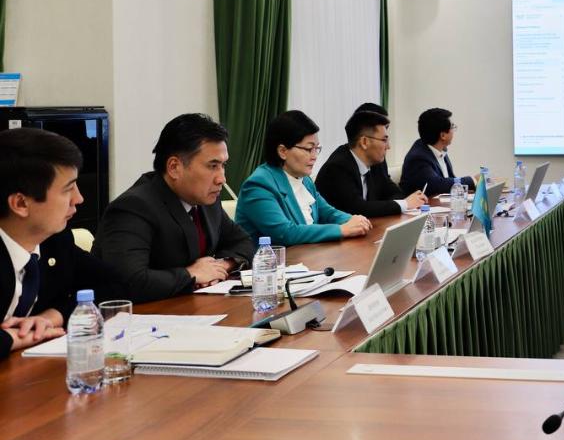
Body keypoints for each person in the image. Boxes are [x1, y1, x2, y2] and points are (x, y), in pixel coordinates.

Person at [94, 114, 254, 303]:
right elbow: (129, 282)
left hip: (194, 308)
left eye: (223, 165)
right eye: (212, 166)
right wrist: (190, 274)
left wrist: (221, 265)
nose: (222, 179)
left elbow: (243, 242)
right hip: (143, 316)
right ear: (174, 167)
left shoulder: (206, 200)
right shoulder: (133, 208)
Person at [1, 129, 121, 359]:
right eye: (68, 189)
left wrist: (51, 316)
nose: (79, 199)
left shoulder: (54, 240)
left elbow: (115, 284)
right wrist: (11, 338)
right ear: (20, 203)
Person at [235, 111, 372, 246]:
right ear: (282, 151)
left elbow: (327, 212)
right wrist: (341, 230)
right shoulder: (258, 185)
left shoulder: (304, 179)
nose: (314, 156)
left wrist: (353, 221)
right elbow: (285, 233)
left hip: (306, 256)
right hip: (273, 260)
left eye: (316, 149)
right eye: (308, 149)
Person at [315, 109, 426, 217]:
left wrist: (399, 203)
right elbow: (357, 209)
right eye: (384, 140)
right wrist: (405, 204)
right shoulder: (337, 167)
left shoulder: (376, 162)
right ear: (364, 142)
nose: (388, 146)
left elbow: (394, 192)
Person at [399, 108, 477, 196]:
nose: (453, 131)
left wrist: (466, 189)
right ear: (443, 135)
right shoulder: (418, 157)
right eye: (452, 127)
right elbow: (436, 185)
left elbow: (450, 179)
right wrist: (473, 180)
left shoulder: (439, 149)